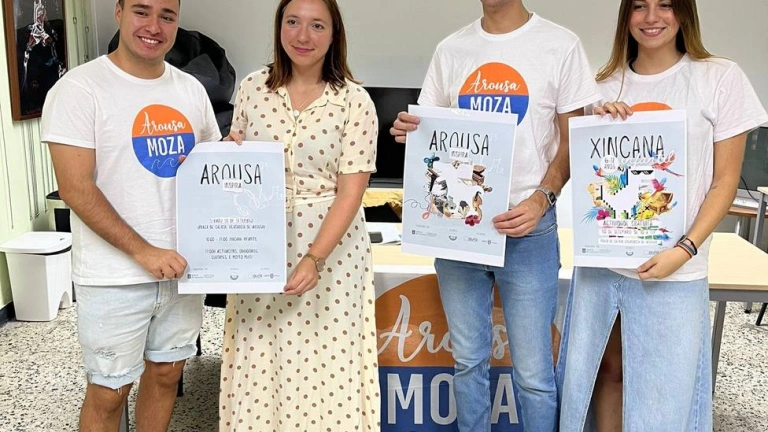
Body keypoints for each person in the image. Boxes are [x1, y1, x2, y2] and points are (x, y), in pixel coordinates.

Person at [558, 0, 768, 431]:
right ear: (626, 17)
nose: (651, 17)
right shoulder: (602, 86)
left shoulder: (718, 78)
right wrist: (595, 125)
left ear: (684, 13)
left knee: (664, 391)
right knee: (606, 371)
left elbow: (724, 182)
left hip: (675, 268)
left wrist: (684, 249)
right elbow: (585, 173)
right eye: (639, 6)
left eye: (665, 5)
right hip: (603, 264)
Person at [390, 0, 600, 430]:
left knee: (533, 374)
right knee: (467, 361)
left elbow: (573, 141)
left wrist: (542, 198)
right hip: (459, 231)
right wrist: (410, 132)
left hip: (528, 230)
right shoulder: (452, 49)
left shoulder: (560, 45)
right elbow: (432, 132)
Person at [41, 0, 221, 430]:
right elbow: (76, 188)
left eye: (167, 15)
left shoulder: (190, 90)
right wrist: (144, 251)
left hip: (182, 269)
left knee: (167, 374)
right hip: (113, 275)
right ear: (119, 12)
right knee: (109, 391)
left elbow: (210, 171)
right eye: (142, 11)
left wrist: (239, 159)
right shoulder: (79, 89)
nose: (154, 26)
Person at [218, 0, 380, 430]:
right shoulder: (253, 87)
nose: (303, 36)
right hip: (259, 242)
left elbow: (351, 191)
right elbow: (238, 165)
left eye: (316, 25)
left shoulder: (354, 101)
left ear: (334, 34)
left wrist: (315, 257)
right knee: (261, 353)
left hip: (332, 251)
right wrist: (220, 157)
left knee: (326, 358)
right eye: (293, 22)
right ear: (279, 27)